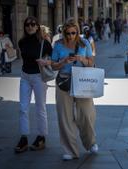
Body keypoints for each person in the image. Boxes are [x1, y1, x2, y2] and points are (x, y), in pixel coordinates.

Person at [51, 18, 98, 161]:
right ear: (64, 32)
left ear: (78, 31)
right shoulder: (58, 45)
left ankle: (90, 142)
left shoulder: (84, 43)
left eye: (74, 33)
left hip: (82, 81)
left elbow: (91, 63)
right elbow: (53, 66)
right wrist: (63, 62)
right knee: (65, 117)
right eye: (68, 33)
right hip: (64, 82)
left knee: (86, 114)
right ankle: (70, 150)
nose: (71, 36)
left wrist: (82, 59)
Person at [15, 16, 52, 153]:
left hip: (38, 77)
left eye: (33, 24)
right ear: (25, 27)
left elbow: (54, 60)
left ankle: (41, 137)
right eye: (27, 24)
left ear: (37, 26)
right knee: (23, 108)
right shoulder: (21, 42)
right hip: (24, 76)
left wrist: (46, 62)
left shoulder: (44, 43)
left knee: (40, 107)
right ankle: (24, 138)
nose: (30, 26)